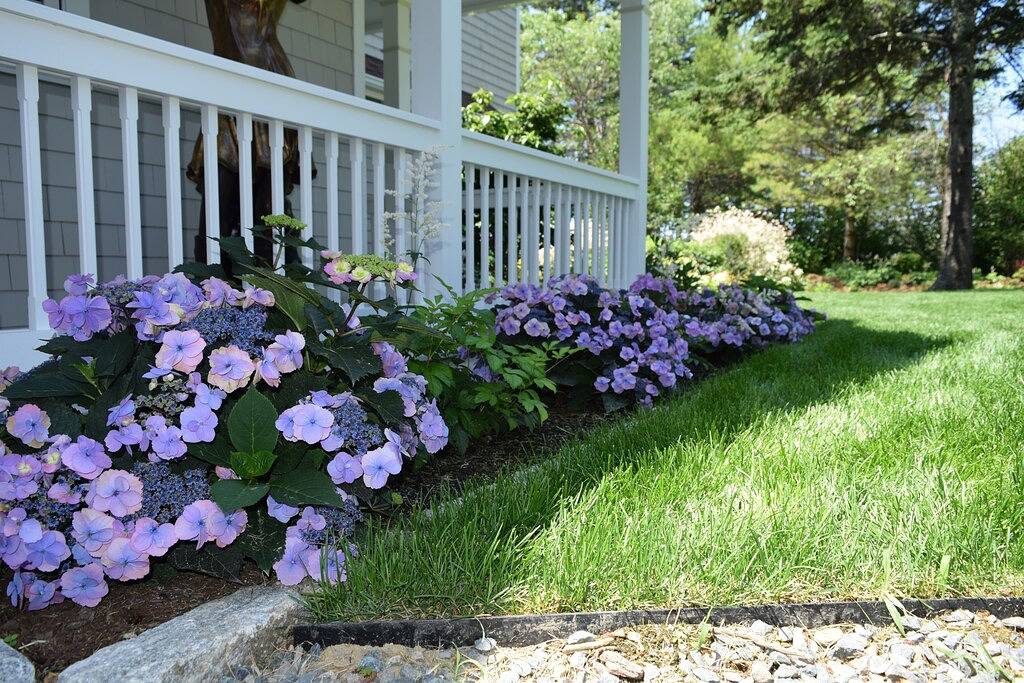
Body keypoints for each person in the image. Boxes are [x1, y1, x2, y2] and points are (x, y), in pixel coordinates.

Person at [187, 0, 314, 266]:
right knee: (219, 202)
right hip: (230, 90)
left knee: (269, 209)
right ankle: (208, 284)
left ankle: (274, 285)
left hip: (273, 86)